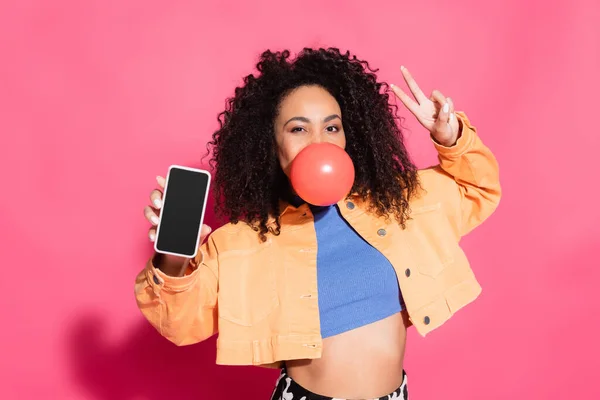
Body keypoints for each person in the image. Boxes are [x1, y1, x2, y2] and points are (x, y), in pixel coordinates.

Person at [135, 47, 501, 400]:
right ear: (270, 145)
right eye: (298, 129)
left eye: (331, 127)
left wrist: (450, 139)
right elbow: (179, 323)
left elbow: (477, 189)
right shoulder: (245, 242)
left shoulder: (399, 204)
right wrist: (172, 258)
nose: (318, 143)